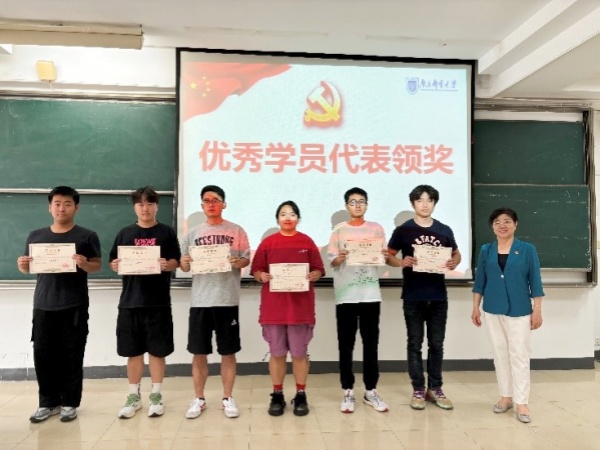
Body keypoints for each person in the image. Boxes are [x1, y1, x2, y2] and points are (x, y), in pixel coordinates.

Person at [17, 186, 101, 423]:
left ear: (76, 207)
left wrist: (84, 264)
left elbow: (96, 265)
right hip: (44, 304)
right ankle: (47, 402)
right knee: (43, 354)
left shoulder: (86, 236)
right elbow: (27, 268)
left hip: (74, 305)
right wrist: (22, 265)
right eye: (57, 203)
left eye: (67, 203)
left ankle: (69, 403)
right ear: (49, 207)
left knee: (72, 354)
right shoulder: (36, 236)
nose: (61, 208)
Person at [386, 185, 461, 410]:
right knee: (415, 343)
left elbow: (456, 253)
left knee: (437, 344)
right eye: (420, 200)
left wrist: (454, 262)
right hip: (413, 295)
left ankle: (435, 388)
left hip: (438, 296)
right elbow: (388, 256)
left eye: (429, 200)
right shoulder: (403, 230)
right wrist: (401, 262)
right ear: (413, 204)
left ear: (435, 203)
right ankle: (418, 388)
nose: (425, 204)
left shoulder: (444, 229)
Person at [110, 186, 181, 419]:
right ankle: (134, 396)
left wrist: (167, 265)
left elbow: (176, 261)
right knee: (133, 352)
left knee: (158, 352)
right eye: (140, 204)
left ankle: (156, 395)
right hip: (130, 302)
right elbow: (113, 261)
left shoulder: (166, 232)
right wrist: (115, 265)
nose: (145, 208)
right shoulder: (125, 233)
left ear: (156, 206)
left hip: (158, 302)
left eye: (150, 204)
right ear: (135, 207)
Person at [180, 185, 250, 419]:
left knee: (228, 352)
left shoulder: (236, 230)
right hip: (200, 301)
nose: (211, 204)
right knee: (199, 352)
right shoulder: (192, 233)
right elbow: (184, 266)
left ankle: (227, 398)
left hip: (227, 300)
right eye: (206, 200)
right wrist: (185, 262)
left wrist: (238, 262)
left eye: (216, 200)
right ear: (202, 205)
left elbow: (245, 260)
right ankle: (199, 398)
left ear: (224, 204)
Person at [251, 201, 324, 417]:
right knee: (277, 353)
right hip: (274, 309)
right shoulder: (268, 242)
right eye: (283, 214)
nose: (287, 217)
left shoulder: (307, 242)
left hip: (300, 308)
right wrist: (261, 276)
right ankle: (277, 394)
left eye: (292, 214)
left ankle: (301, 394)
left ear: (298, 218)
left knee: (299, 354)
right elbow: (256, 270)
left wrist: (315, 275)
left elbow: (319, 269)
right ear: (277, 219)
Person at [471, 207, 544, 424]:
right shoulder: (486, 250)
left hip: (520, 309)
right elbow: (480, 282)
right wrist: (475, 307)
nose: (502, 225)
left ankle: (522, 401)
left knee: (519, 355)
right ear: (492, 227)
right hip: (492, 308)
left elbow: (535, 281)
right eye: (497, 222)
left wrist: (537, 309)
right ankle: (506, 396)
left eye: (507, 221)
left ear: (515, 224)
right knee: (500, 353)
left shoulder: (527, 249)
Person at [327, 187, 389, 413]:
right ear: (346, 206)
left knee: (371, 344)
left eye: (361, 201)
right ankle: (348, 391)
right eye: (353, 202)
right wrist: (340, 257)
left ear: (367, 204)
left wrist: (383, 255)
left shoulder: (376, 228)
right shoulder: (338, 230)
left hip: (370, 294)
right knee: (346, 345)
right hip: (346, 296)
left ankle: (371, 390)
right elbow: (332, 261)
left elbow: (383, 257)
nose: (357, 205)